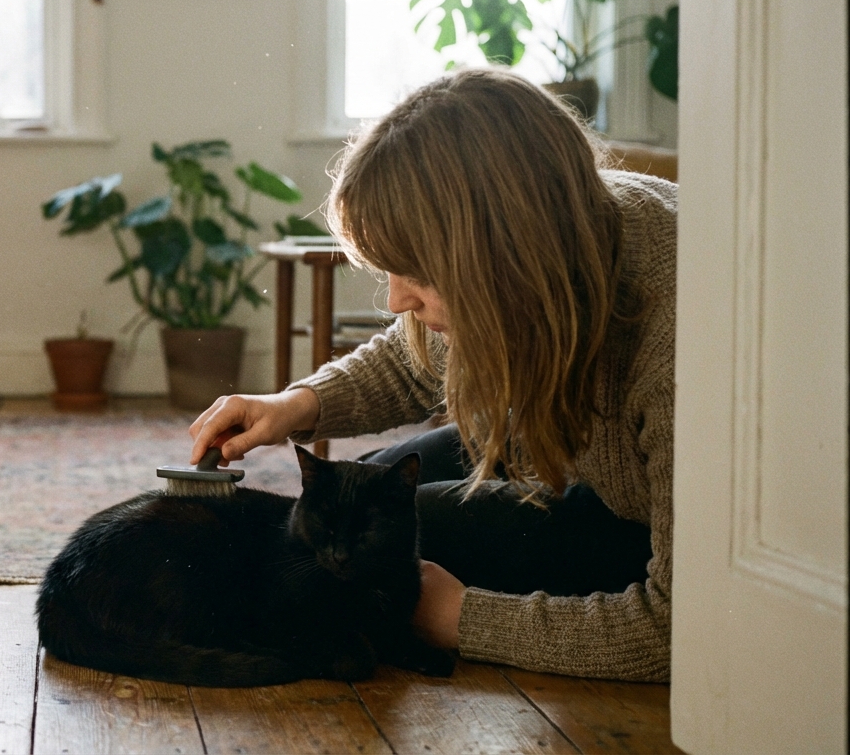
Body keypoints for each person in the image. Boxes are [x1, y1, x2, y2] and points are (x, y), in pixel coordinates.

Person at [189, 69, 676, 682]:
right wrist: (297, 404)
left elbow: (679, 627)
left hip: (637, 523)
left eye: (416, 275)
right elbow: (418, 358)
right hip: (595, 461)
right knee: (377, 502)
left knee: (404, 545)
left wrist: (461, 618)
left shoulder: (679, 341)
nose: (396, 301)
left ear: (506, 253)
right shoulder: (561, 243)